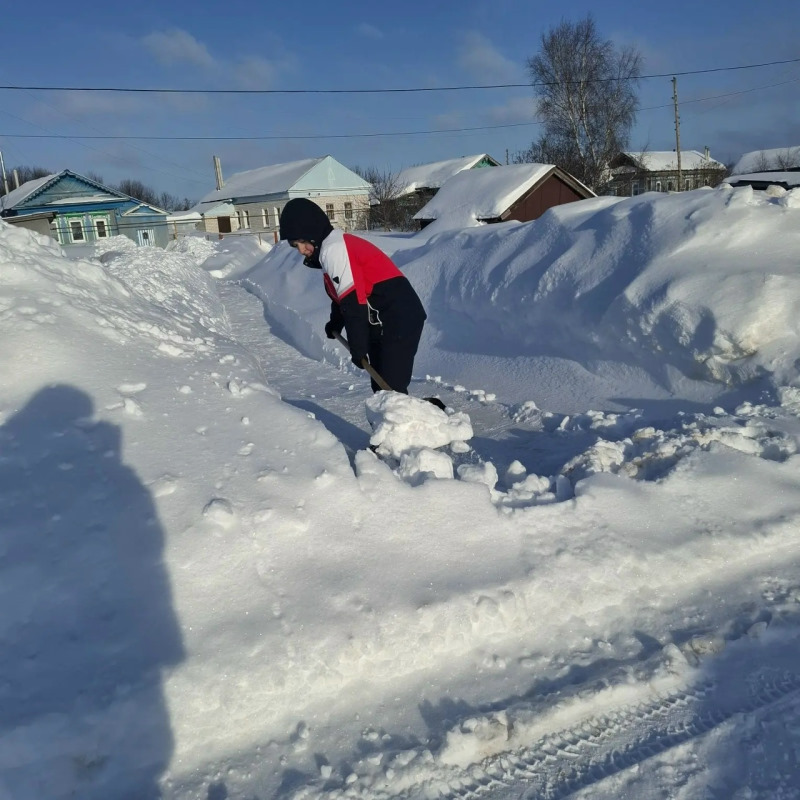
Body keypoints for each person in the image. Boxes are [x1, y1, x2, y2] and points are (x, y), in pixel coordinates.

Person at [279, 197, 427, 394]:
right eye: (295, 245)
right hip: (381, 319)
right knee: (382, 388)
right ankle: (393, 422)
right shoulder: (329, 249)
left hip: (399, 316)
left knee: (392, 388)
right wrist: (336, 322)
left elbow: (353, 303)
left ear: (314, 232)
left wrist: (358, 347)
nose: (301, 250)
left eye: (303, 242)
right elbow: (342, 296)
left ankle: (419, 423)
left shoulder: (334, 249)